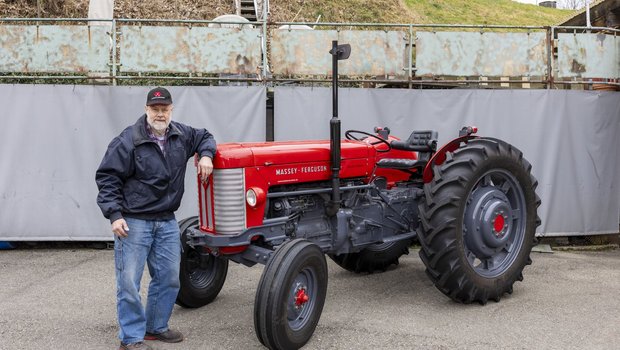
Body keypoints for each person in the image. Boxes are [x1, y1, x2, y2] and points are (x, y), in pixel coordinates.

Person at [96, 87, 216, 350]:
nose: (160, 114)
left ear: (171, 110)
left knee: (170, 277)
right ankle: (130, 339)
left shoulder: (181, 135)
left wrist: (206, 155)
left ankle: (155, 327)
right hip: (133, 221)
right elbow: (107, 178)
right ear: (146, 109)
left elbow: (205, 136)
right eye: (155, 109)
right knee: (129, 281)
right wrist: (114, 215)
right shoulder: (128, 140)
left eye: (164, 109)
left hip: (166, 220)